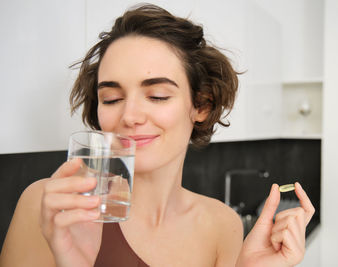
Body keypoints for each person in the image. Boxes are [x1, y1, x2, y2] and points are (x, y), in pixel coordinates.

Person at [0, 4, 314, 267]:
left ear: (201, 105)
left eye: (158, 95)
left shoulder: (223, 225)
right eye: (111, 99)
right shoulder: (52, 207)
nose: (129, 116)